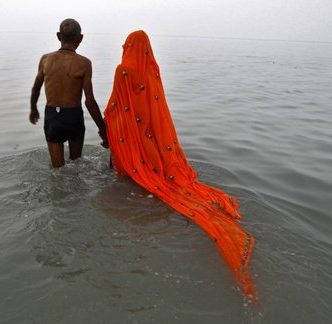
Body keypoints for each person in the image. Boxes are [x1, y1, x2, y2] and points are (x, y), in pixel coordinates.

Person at [104, 30, 256, 300]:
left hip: (130, 136)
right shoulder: (152, 69)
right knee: (155, 173)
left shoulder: (122, 70)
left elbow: (117, 105)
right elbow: (157, 107)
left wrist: (107, 123)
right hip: (153, 138)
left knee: (132, 174)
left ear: (128, 46)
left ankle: (133, 182)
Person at [30, 18, 108, 168]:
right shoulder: (84, 63)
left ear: (59, 36)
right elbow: (89, 101)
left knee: (58, 170)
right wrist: (103, 129)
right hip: (74, 117)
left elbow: (36, 87)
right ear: (80, 38)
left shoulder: (45, 59)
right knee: (76, 167)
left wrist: (33, 109)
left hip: (53, 116)